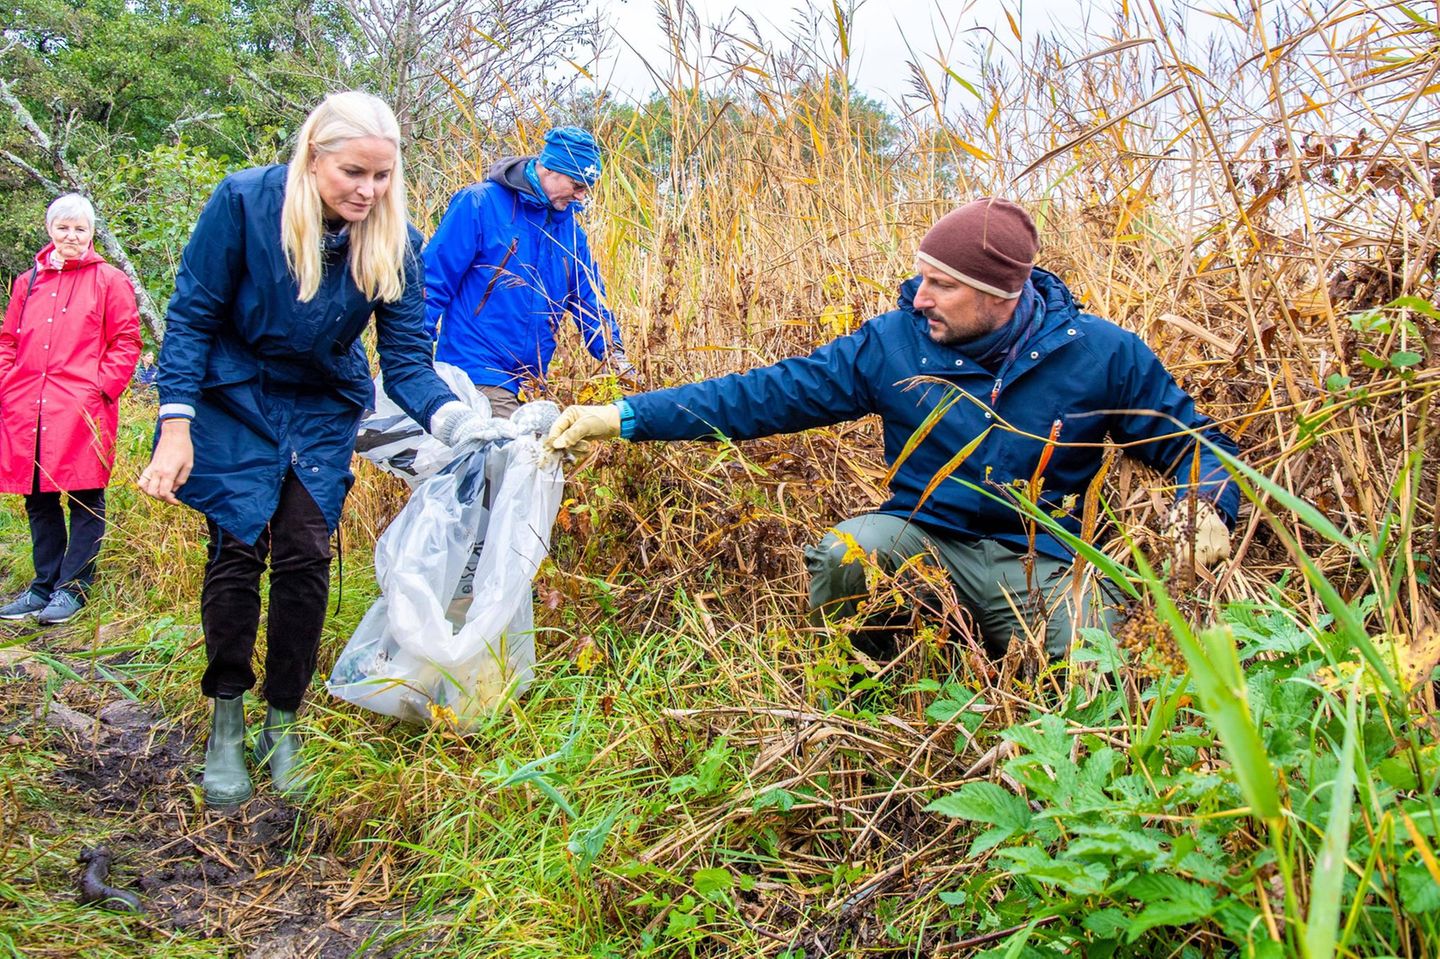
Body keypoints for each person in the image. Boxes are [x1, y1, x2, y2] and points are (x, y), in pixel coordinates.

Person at [547, 198, 1240, 660]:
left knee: (1097, 670)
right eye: (919, 278)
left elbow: (1196, 445)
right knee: (848, 555)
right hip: (926, 538)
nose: (919, 297)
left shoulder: (1100, 353)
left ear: (1002, 295)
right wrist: (624, 417)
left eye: (941, 284)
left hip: (1046, 565)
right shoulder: (896, 343)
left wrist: (1205, 503)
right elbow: (761, 396)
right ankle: (872, 683)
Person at [138, 91, 492, 807]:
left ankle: (283, 719)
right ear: (313, 157)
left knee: (305, 550)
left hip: (321, 403)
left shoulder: (396, 242)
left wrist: (457, 422)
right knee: (237, 546)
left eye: (382, 176)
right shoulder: (241, 204)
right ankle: (227, 718)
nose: (368, 191)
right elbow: (192, 316)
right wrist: (175, 425)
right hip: (231, 394)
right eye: (353, 173)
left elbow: (408, 363)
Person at [422, 126, 633, 418]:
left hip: (531, 383)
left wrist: (614, 355)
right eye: (577, 185)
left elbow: (590, 299)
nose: (581, 197)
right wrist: (413, 355)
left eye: (587, 188)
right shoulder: (480, 204)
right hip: (476, 371)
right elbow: (433, 280)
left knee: (543, 456)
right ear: (549, 170)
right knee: (517, 458)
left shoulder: (571, 233)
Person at [0, 194, 142, 625]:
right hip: (29, 406)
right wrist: (8, 385)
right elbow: (8, 341)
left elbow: (127, 341)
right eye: (63, 228)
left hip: (81, 409)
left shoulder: (108, 280)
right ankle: (42, 587)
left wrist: (100, 390)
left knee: (85, 497)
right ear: (50, 231)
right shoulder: (28, 282)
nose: (71, 236)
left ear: (92, 233)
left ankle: (73, 588)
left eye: (80, 229)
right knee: (38, 500)